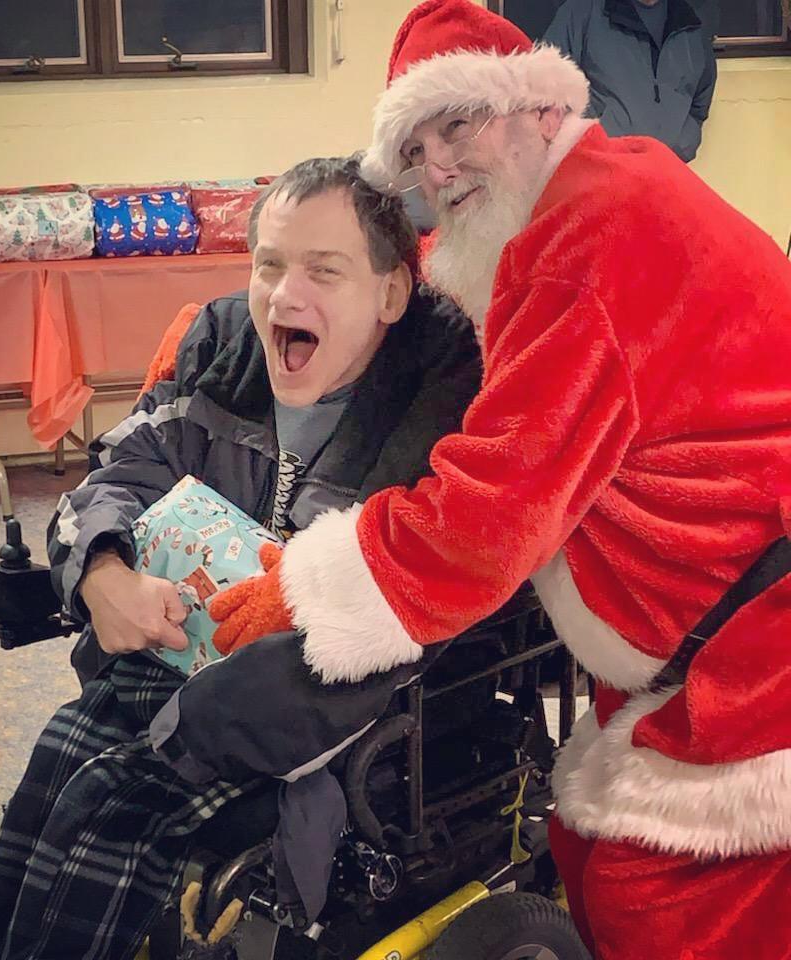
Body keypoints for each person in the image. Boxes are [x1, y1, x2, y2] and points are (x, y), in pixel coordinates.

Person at [209, 3, 791, 959]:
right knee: (585, 852)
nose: (438, 167)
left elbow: (491, 514)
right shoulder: (596, 191)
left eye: (459, 124)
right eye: (416, 151)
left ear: (540, 107)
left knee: (663, 903)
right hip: (705, 614)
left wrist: (309, 589)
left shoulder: (582, 250)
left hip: (757, 646)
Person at [0, 155, 483, 960]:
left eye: (323, 271)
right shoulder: (223, 348)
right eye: (268, 265)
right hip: (176, 662)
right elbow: (122, 472)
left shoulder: (438, 402)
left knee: (106, 802)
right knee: (56, 764)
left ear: (389, 294)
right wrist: (100, 571)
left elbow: (410, 605)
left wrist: (192, 727)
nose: (284, 295)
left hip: (324, 712)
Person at [543, 0, 716, 162]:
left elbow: (700, 100)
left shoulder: (691, 23)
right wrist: (591, 145)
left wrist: (684, 141)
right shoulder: (582, 12)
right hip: (600, 169)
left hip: (666, 172)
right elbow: (547, 86)